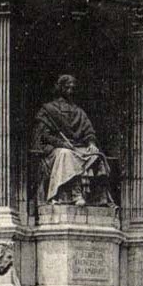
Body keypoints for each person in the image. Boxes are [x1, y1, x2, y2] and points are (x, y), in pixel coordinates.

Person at [32, 74, 111, 205]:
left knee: (96, 156)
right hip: (54, 149)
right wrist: (62, 143)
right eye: (67, 88)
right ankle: (73, 194)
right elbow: (44, 135)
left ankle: (99, 198)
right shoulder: (49, 109)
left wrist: (91, 143)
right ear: (61, 88)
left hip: (77, 147)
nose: (71, 91)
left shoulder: (78, 111)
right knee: (66, 154)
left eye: (73, 88)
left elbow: (88, 130)